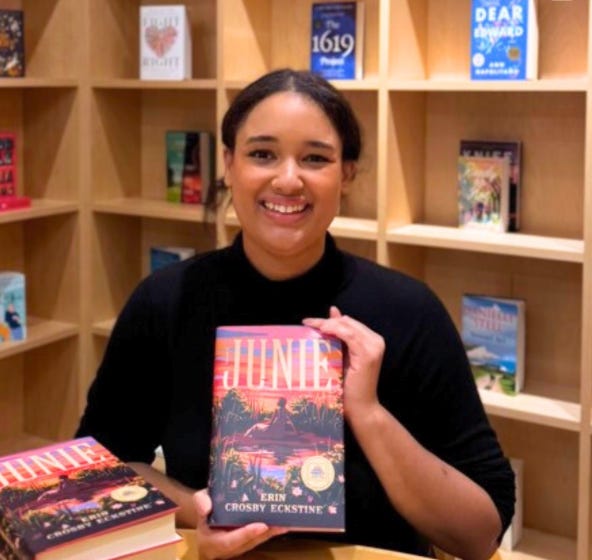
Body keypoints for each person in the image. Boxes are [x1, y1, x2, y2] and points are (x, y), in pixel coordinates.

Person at [76, 68, 515, 560]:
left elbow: (481, 534)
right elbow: (101, 467)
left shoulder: (408, 311)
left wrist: (366, 413)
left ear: (346, 173)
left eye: (315, 158)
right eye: (262, 154)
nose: (288, 179)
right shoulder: (165, 301)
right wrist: (196, 509)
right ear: (228, 163)